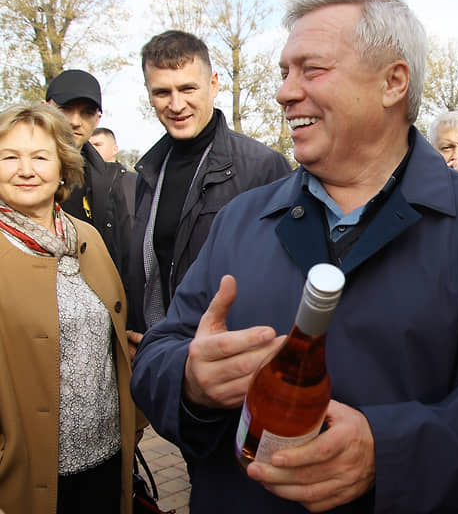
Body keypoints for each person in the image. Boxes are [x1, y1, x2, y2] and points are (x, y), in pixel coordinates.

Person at [131, 0, 458, 513]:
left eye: (310, 70)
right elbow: (158, 355)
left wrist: (387, 452)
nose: (283, 92)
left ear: (392, 82)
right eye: (283, 71)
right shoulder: (241, 219)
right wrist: (190, 379)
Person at [0, 103, 136, 514]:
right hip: (27, 475)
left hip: (106, 460)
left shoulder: (88, 236)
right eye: (9, 157)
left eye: (40, 157)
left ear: (63, 167)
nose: (26, 170)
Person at [126, 30, 291, 347]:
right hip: (164, 360)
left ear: (214, 84)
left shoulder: (263, 167)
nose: (176, 104)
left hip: (232, 360)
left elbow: (282, 282)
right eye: (162, 92)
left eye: (188, 88)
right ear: (148, 94)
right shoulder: (148, 172)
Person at [46, 69, 131, 278]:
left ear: (97, 120)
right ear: (45, 108)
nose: (75, 121)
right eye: (65, 109)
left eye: (87, 112)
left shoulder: (117, 184)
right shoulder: (12, 175)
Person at [90, 127, 137, 225]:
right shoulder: (80, 182)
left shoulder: (133, 182)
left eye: (97, 145)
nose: (92, 150)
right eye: (89, 146)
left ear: (114, 149)